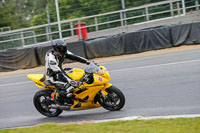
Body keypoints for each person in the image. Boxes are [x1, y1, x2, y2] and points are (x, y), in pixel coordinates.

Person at [45, 39, 90, 105]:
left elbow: (75, 57)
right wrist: (70, 81)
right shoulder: (51, 59)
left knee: (78, 75)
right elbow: (59, 72)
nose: (63, 49)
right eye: (61, 48)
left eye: (64, 47)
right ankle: (58, 99)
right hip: (53, 75)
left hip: (60, 70)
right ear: (56, 49)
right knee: (69, 87)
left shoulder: (62, 52)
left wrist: (87, 61)